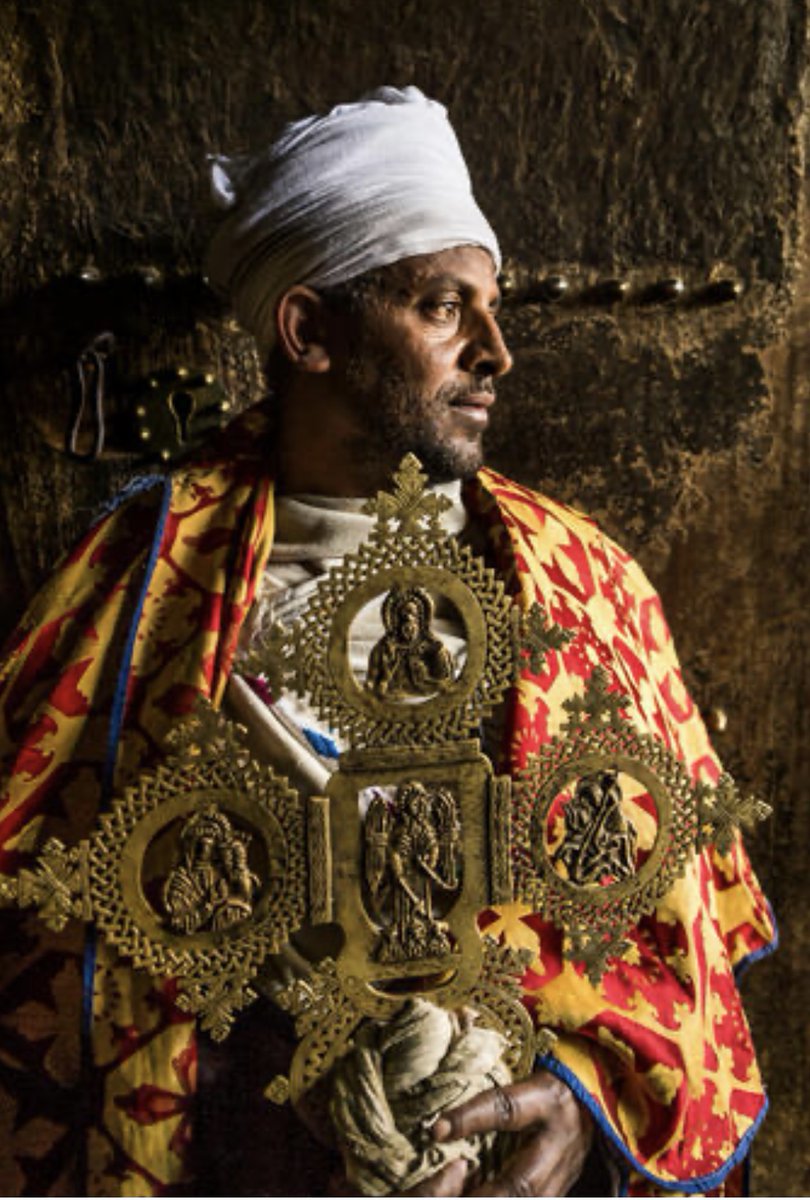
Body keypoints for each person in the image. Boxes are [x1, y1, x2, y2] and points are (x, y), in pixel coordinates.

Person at [0, 87, 775, 1197]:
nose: (498, 351)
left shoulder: (584, 581)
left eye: (492, 307)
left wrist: (585, 1091)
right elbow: (44, 936)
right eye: (443, 307)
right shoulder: (140, 592)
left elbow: (676, 932)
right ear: (308, 331)